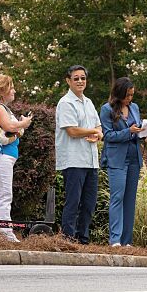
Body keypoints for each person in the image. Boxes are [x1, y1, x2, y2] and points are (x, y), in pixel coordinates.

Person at [0, 74, 31, 242]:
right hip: (2, 156)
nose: (14, 90)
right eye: (12, 87)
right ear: (3, 91)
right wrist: (24, 123)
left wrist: (20, 125)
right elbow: (9, 126)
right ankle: (6, 233)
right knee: (4, 195)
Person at [55, 65, 101, 244]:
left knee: (89, 204)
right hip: (74, 160)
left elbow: (99, 127)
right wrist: (92, 131)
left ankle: (83, 239)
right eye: (76, 78)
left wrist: (97, 133)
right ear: (68, 81)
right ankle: (68, 239)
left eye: (83, 78)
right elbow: (72, 131)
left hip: (91, 161)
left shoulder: (88, 102)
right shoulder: (66, 103)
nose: (80, 81)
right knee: (73, 202)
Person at [99, 77, 143, 247]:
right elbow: (108, 136)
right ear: (119, 94)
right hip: (117, 159)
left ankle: (126, 241)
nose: (130, 98)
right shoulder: (106, 109)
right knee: (117, 197)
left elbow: (136, 130)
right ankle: (115, 240)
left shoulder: (135, 108)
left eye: (131, 95)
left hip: (134, 157)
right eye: (127, 95)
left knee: (130, 200)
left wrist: (142, 131)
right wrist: (128, 131)